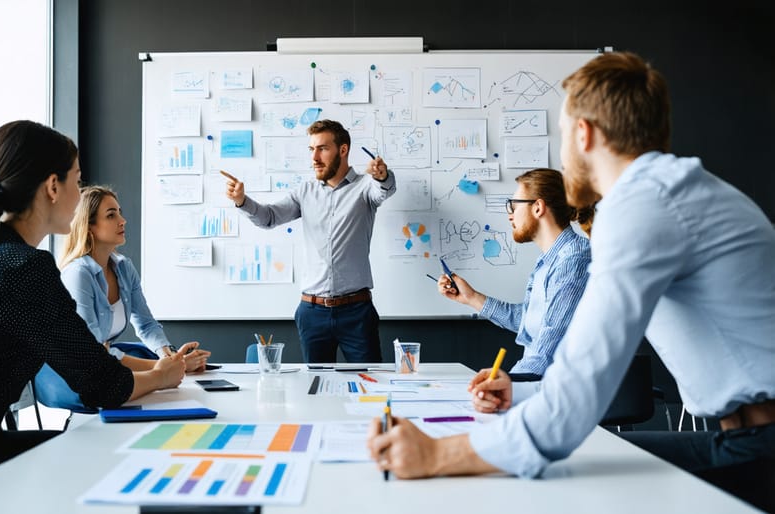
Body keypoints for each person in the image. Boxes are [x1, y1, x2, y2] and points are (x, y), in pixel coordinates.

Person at [367, 51, 775, 479]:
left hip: (759, 448)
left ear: (583, 134)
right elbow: (579, 371)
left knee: (549, 473)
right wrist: (521, 397)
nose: (562, 158)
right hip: (744, 439)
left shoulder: (644, 205)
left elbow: (583, 383)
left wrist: (438, 456)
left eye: (560, 135)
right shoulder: (673, 190)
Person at [0, 120, 188, 514]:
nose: (79, 193)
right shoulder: (20, 268)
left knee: (92, 456)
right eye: (77, 179)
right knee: (111, 462)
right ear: (53, 187)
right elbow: (100, 383)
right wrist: (163, 375)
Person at [222, 119, 396, 363]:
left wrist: (383, 176)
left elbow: (385, 189)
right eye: (311, 149)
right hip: (312, 312)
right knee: (316, 387)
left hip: (356, 312)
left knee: (369, 387)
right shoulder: (304, 191)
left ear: (343, 150)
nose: (314, 157)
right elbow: (269, 218)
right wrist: (242, 201)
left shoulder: (365, 188)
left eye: (322, 148)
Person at [33, 185, 211, 411]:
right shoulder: (78, 274)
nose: (122, 220)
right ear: (88, 227)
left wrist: (170, 357)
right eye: (111, 215)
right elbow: (94, 350)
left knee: (144, 358)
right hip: (74, 375)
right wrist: (165, 368)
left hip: (105, 362)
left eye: (119, 212)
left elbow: (146, 324)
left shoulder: (124, 267)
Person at [437, 168, 591, 385]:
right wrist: (470, 297)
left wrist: (507, 382)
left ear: (538, 207)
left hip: (558, 389)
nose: (510, 214)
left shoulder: (573, 260)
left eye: (514, 205)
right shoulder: (548, 261)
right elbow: (530, 322)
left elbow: (549, 345)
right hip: (538, 382)